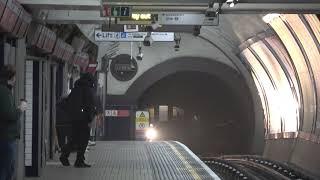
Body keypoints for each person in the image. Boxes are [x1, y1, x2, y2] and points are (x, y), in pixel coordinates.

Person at [59, 73, 97, 168]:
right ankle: (79, 161)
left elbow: (67, 101)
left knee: (75, 139)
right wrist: (90, 117)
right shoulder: (88, 89)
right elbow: (90, 105)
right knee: (83, 140)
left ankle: (64, 155)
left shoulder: (76, 88)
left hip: (73, 118)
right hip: (83, 119)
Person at [0, 65, 27, 180]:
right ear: (10, 77)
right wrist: (21, 108)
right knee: (6, 169)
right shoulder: (4, 91)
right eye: (15, 77)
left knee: (7, 168)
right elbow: (10, 115)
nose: (15, 80)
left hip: (7, 137)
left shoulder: (5, 91)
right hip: (6, 137)